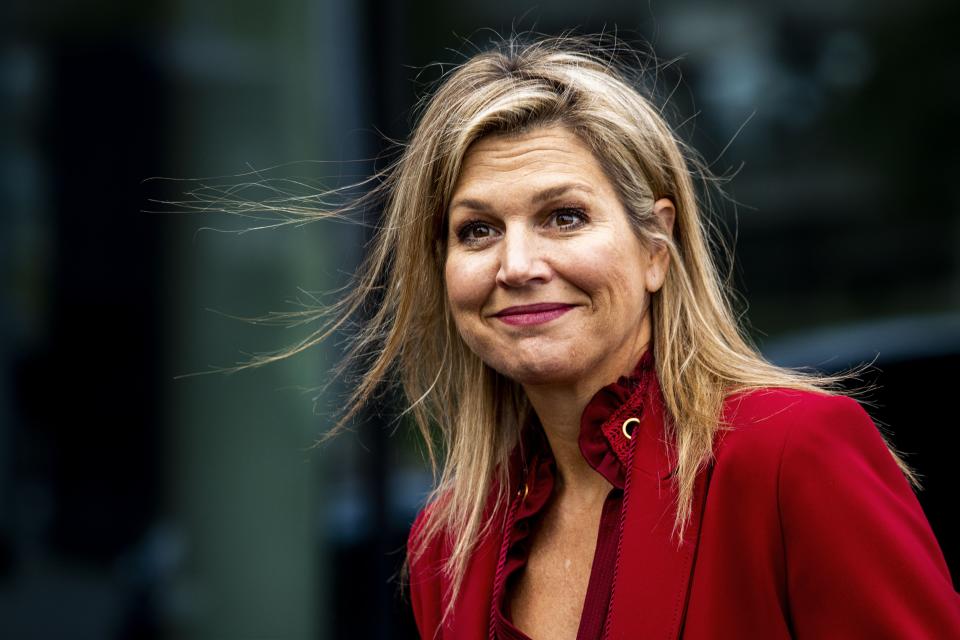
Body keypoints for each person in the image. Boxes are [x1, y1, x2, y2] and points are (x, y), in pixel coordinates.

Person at [200, 33, 959, 638]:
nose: (518, 265)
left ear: (656, 247)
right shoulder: (448, 545)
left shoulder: (794, 454)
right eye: (477, 231)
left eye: (564, 216)